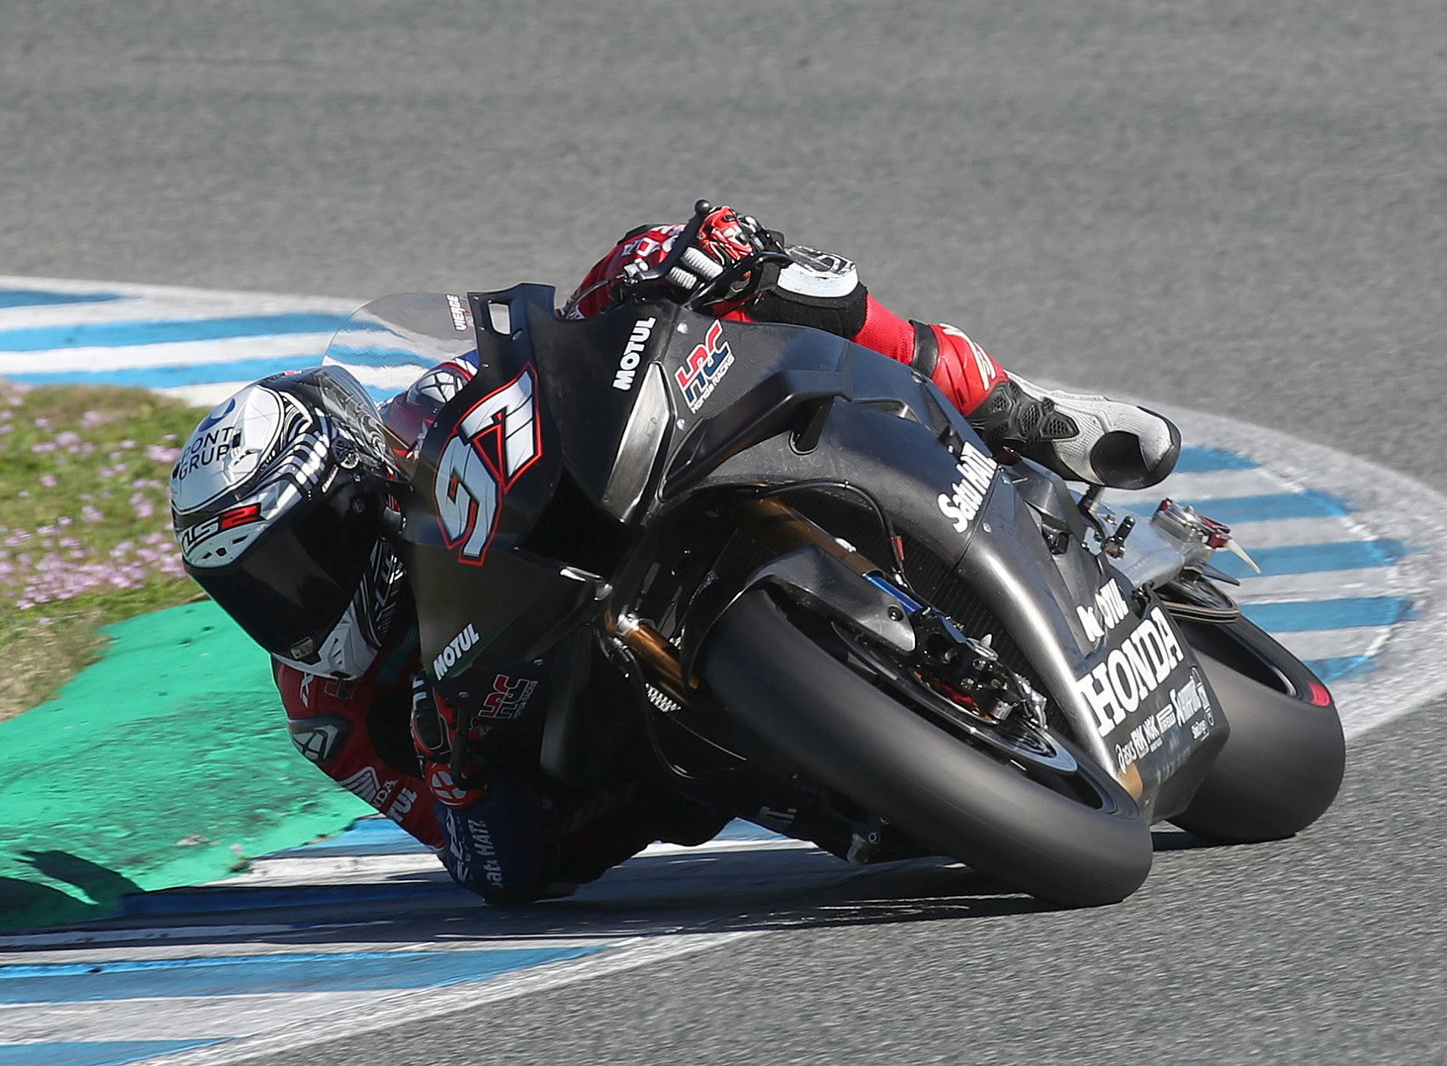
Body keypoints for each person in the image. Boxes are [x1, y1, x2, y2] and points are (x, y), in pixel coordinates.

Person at [170, 202, 1180, 904]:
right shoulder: (329, 714)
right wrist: (454, 766)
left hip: (633, 506)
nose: (290, 600)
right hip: (640, 760)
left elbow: (554, 345)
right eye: (253, 588)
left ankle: (1023, 412)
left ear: (358, 485)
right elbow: (492, 871)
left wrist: (663, 270)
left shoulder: (424, 418)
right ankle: (883, 753)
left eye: (301, 557)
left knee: (714, 263)